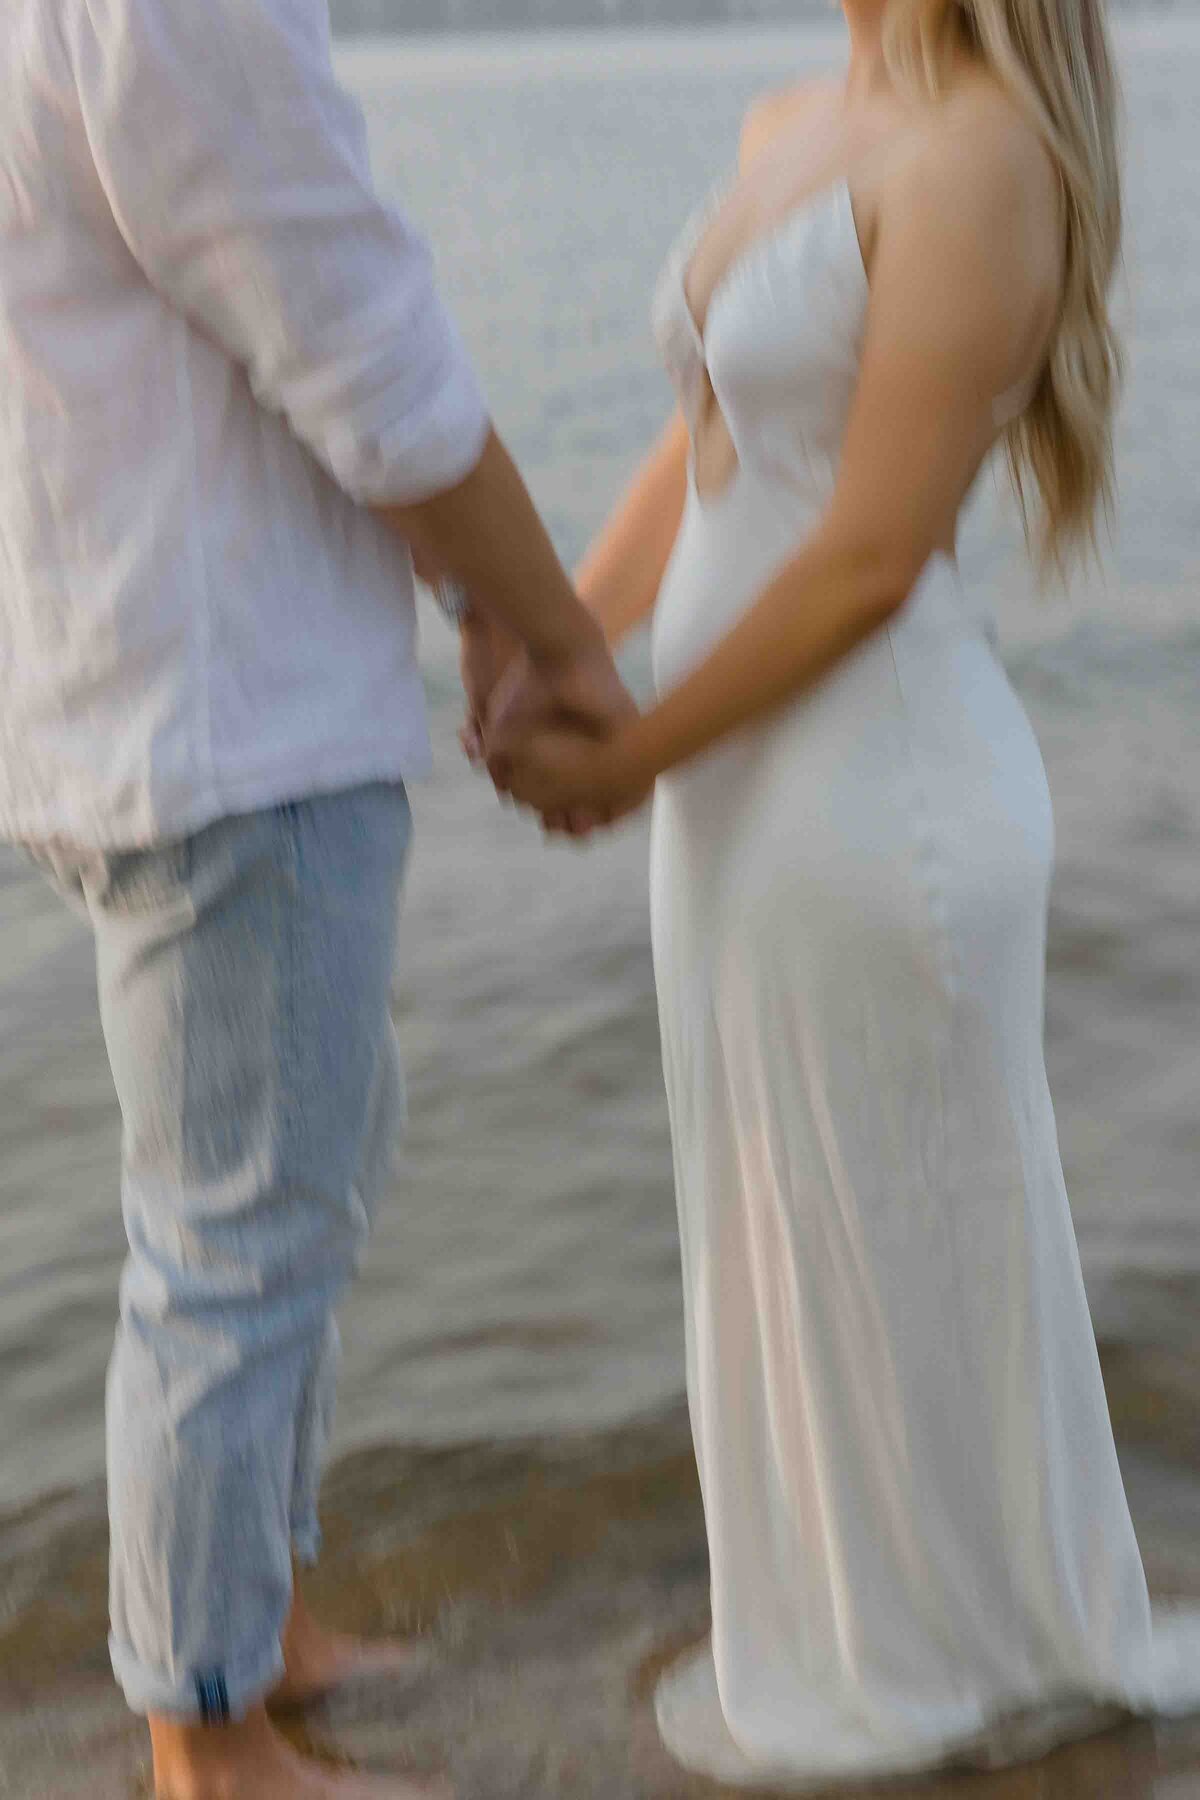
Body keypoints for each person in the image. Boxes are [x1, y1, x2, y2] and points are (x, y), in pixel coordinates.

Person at [486, 0, 1200, 1783]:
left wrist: (628, 761)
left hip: (881, 801)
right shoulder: (790, 119)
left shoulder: (987, 156)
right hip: (738, 807)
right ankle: (851, 1615)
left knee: (904, 1228)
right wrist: (554, 650)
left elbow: (877, 553)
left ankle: (945, 1644)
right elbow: (694, 442)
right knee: (779, 1220)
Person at [0, 0, 630, 1795]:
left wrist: (482, 606)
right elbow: (362, 346)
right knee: (236, 1242)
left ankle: (250, 1630)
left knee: (296, 1189)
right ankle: (207, 1737)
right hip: (222, 720)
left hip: (170, 699)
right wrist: (553, 630)